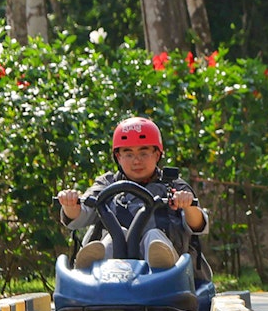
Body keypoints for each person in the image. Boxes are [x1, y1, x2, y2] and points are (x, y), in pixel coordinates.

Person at [56, 117, 211, 281]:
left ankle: (163, 263)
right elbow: (80, 215)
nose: (136, 161)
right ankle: (92, 266)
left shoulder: (174, 185)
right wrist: (70, 204)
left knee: (154, 237)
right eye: (128, 154)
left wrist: (188, 206)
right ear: (118, 157)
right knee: (114, 237)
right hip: (112, 273)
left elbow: (198, 225)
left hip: (165, 275)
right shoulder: (106, 184)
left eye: (143, 153)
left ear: (157, 154)